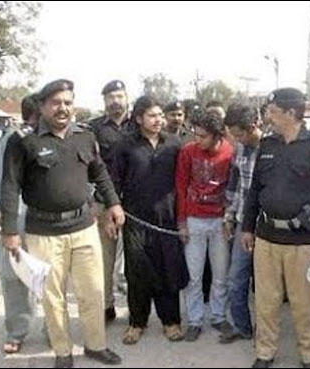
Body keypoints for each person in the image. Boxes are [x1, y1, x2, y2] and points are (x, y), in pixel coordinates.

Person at [0, 79, 124, 368]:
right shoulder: (23, 140)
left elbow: (100, 173)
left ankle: (96, 345)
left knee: (92, 291)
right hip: (44, 232)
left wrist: (114, 203)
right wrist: (9, 231)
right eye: (56, 102)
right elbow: (9, 187)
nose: (63, 108)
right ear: (43, 107)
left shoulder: (84, 135)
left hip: (84, 227)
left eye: (68, 102)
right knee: (52, 297)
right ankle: (63, 352)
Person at [242, 88, 310, 369]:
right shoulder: (267, 145)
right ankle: (265, 353)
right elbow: (254, 191)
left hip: (304, 242)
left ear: (291, 113)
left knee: (305, 304)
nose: (268, 117)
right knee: (266, 301)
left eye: (273, 112)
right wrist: (247, 227)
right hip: (266, 238)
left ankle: (308, 356)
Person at [111, 96, 189, 344]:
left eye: (160, 115)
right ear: (138, 118)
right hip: (135, 220)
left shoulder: (174, 144)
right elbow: (113, 182)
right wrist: (114, 211)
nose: (159, 120)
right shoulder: (125, 146)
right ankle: (137, 322)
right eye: (152, 116)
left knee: (168, 269)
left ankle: (171, 321)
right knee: (137, 272)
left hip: (167, 219)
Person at [176, 109, 236, 342]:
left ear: (216, 134)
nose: (197, 140)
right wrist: (181, 221)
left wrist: (230, 218)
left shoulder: (231, 152)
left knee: (220, 274)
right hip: (194, 220)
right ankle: (194, 320)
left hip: (221, 221)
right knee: (193, 275)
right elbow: (180, 188)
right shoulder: (188, 152)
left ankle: (219, 316)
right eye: (195, 135)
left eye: (202, 136)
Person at [0, 93, 39, 355]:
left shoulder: (63, 136)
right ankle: (17, 331)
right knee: (13, 276)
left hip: (50, 218)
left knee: (50, 276)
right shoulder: (13, 139)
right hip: (17, 215)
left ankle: (55, 329)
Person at [88, 79, 133, 322]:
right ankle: (106, 306)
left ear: (127, 98)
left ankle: (136, 307)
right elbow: (88, 168)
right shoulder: (93, 128)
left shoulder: (138, 125)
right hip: (104, 203)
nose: (115, 101)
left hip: (134, 204)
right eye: (110, 97)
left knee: (135, 259)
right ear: (104, 101)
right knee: (103, 260)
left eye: (119, 96)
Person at [219, 103, 262, 344]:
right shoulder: (240, 150)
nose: (235, 139)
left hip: (266, 230)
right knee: (236, 281)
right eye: (233, 134)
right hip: (242, 227)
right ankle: (243, 327)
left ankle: (265, 334)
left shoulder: (272, 148)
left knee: (265, 288)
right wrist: (228, 217)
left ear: (253, 127)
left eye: (238, 134)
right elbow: (234, 188)